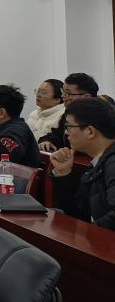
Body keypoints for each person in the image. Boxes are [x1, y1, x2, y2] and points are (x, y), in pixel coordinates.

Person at [50, 97, 115, 230]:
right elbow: (78, 212)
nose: (66, 132)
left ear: (90, 131)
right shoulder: (98, 161)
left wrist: (87, 234)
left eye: (68, 126)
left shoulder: (112, 163)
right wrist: (63, 173)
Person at [39, 72, 98, 153]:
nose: (63, 96)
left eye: (68, 93)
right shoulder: (69, 113)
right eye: (63, 92)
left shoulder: (100, 117)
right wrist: (48, 141)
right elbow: (57, 134)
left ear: (86, 97)